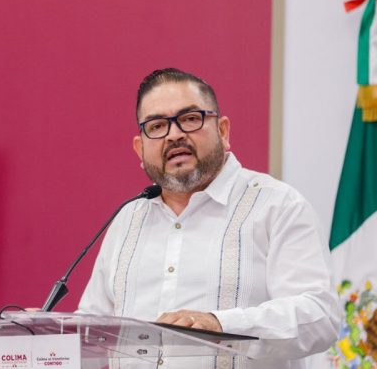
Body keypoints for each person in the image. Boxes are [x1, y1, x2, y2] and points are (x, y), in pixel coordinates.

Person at [77, 68, 339, 368]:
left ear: (223, 131)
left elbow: (320, 317)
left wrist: (219, 324)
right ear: (140, 148)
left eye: (190, 119)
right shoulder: (128, 220)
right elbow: (93, 333)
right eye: (157, 125)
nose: (174, 134)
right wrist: (43, 336)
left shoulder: (277, 206)